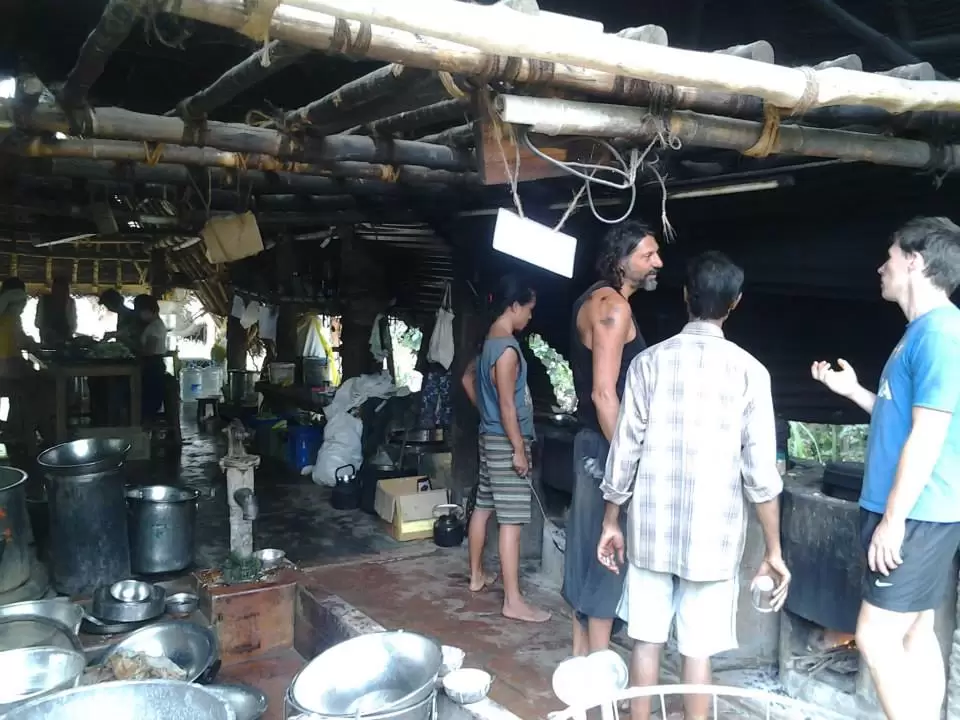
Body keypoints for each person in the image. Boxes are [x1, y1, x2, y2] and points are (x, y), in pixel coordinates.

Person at [598, 252, 790, 720]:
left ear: (685, 296)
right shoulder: (751, 372)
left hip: (649, 531)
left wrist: (610, 521)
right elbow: (761, 474)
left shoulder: (648, 364)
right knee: (698, 652)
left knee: (645, 642)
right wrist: (773, 549)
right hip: (713, 538)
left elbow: (624, 450)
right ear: (735, 303)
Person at [811, 216, 960, 720]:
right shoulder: (920, 333)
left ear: (915, 262)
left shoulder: (940, 334)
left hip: (916, 513)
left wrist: (893, 520)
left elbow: (929, 433)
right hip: (919, 510)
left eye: (891, 256)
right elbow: (901, 420)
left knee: (874, 637)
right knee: (918, 629)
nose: (882, 266)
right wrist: (852, 392)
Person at [561, 219, 663, 656]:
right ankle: (598, 675)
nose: (658, 261)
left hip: (594, 444)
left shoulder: (596, 300)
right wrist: (629, 459)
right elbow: (604, 394)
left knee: (589, 554)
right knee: (606, 558)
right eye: (647, 255)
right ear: (622, 262)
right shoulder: (612, 307)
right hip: (605, 447)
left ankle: (582, 668)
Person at [461, 275, 550, 623]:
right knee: (511, 522)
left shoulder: (489, 343)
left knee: (483, 507)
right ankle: (513, 601)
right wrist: (518, 448)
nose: (529, 317)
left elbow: (469, 379)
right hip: (505, 442)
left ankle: (476, 576)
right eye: (528, 310)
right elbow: (508, 405)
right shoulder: (508, 349)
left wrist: (488, 417)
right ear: (514, 306)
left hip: (489, 437)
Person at [134, 294, 169, 419]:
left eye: (140, 311)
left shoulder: (155, 327)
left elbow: (149, 351)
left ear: (148, 310)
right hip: (153, 365)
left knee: (148, 403)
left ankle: (145, 429)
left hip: (152, 366)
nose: (139, 315)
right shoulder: (155, 325)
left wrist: (133, 347)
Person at [35, 276, 77, 347]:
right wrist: (48, 332)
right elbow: (38, 322)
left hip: (65, 340)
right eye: (57, 289)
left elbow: (72, 323)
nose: (59, 293)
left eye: (62, 290)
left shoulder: (70, 302)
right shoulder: (44, 301)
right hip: (47, 340)